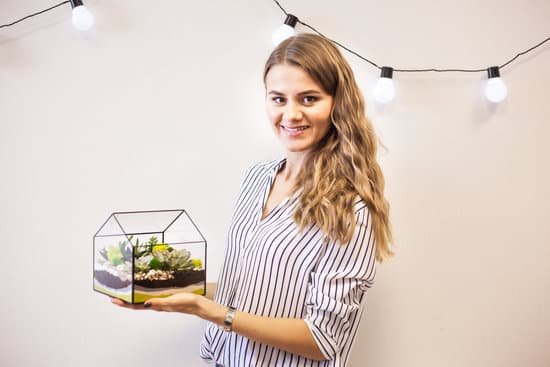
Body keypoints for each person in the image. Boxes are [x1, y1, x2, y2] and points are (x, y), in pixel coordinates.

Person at [111, 33, 393, 367]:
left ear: (337, 103)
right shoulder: (256, 178)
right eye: (278, 99)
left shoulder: (351, 209)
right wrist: (178, 291)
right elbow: (250, 290)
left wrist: (212, 313)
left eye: (308, 99)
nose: (290, 115)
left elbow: (323, 340)